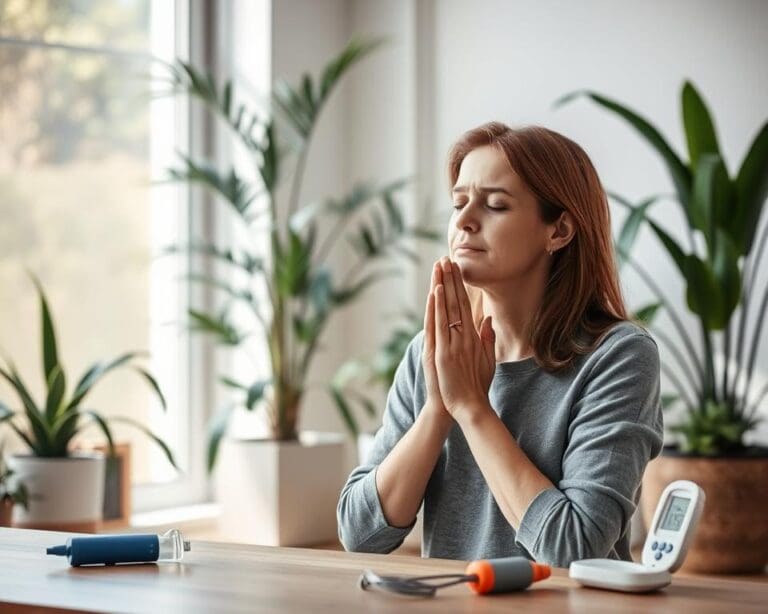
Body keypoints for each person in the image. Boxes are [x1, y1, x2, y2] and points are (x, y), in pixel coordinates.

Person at [336, 122, 664, 567]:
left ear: (559, 230)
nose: (465, 220)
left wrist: (472, 408)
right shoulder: (433, 355)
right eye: (458, 203)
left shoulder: (618, 356)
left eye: (495, 205)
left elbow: (575, 547)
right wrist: (438, 408)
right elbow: (360, 533)